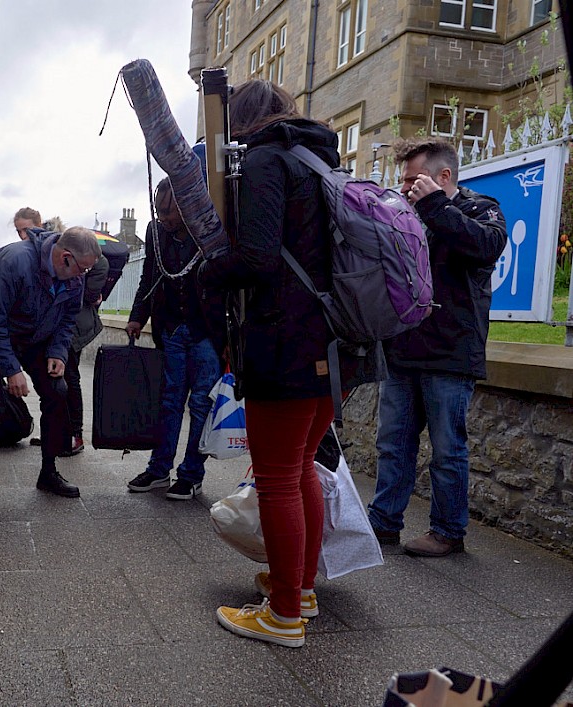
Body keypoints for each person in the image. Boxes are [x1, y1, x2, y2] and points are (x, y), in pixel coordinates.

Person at [197, 79, 383, 647]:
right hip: (335, 345)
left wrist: (210, 271)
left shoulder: (265, 163)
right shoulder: (319, 161)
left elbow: (256, 257)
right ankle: (298, 589)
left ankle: (282, 616)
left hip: (286, 343)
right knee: (302, 468)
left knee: (277, 477)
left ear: (242, 122)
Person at [367, 138, 507, 558]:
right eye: (404, 179)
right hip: (403, 348)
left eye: (414, 179)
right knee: (393, 443)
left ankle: (448, 532)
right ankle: (384, 523)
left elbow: (487, 246)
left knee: (447, 450)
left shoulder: (480, 208)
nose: (405, 187)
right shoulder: (405, 213)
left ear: (443, 176)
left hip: (450, 353)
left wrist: (434, 208)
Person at [0, 226, 101, 498]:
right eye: (83, 268)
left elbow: (68, 319)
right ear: (65, 257)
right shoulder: (13, 261)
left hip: (33, 338)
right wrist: (11, 370)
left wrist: (57, 352)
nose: (84, 275)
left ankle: (49, 472)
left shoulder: (74, 277)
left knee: (57, 392)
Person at [124, 179, 225, 500]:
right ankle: (158, 469)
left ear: (186, 206)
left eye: (169, 211)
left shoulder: (211, 231)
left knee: (200, 405)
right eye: (159, 210)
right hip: (169, 329)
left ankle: (191, 475)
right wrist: (137, 315)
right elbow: (148, 276)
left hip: (206, 332)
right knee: (168, 403)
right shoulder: (155, 233)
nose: (163, 217)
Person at [46, 218, 110, 457]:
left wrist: (88, 294)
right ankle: (56, 431)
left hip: (76, 327)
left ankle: (75, 434)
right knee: (57, 381)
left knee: (70, 379)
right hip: (62, 324)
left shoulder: (96, 264)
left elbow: (87, 294)